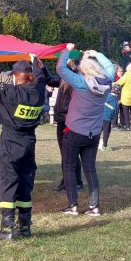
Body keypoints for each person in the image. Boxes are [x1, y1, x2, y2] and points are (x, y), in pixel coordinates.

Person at [0, 53, 45, 239]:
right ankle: (25, 227)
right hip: (29, 143)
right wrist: (35, 62)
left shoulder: (10, 92)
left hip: (10, 142)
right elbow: (41, 77)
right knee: (25, 183)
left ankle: (7, 228)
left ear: (15, 75)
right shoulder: (39, 92)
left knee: (8, 182)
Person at [58, 44, 115, 217]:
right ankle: (94, 207)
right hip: (94, 133)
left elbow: (61, 68)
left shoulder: (81, 82)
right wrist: (97, 53)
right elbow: (110, 67)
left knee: (68, 167)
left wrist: (66, 49)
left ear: (83, 68)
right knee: (90, 169)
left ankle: (73, 206)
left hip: (74, 131)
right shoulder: (108, 81)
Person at [50, 60, 83, 192]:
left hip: (71, 121)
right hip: (61, 120)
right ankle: (68, 180)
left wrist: (68, 63)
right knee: (65, 153)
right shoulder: (62, 80)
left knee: (70, 153)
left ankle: (75, 181)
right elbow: (48, 79)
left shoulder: (77, 81)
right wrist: (39, 66)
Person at [113, 63, 131, 131]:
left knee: (126, 112)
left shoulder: (126, 76)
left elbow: (118, 83)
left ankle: (127, 126)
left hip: (126, 96)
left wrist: (111, 83)